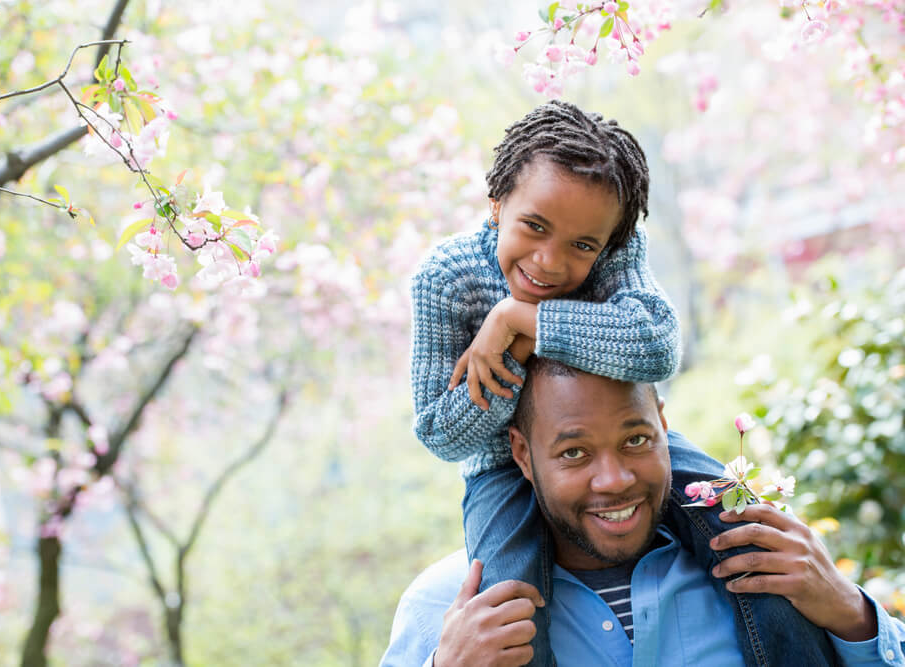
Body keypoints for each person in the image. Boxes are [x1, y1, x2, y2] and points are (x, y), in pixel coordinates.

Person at [409, 100, 718, 666]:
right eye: (534, 227)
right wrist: (522, 363)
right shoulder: (446, 278)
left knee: (752, 531)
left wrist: (519, 325)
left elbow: (653, 345)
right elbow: (439, 431)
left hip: (623, 440)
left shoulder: (614, 248)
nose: (550, 264)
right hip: (497, 471)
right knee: (506, 608)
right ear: (497, 203)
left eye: (581, 246)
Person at [383, 357, 905, 666]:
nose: (615, 479)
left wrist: (849, 613)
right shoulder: (450, 609)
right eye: (574, 453)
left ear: (663, 423)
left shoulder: (761, 565)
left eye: (635, 439)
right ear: (522, 454)